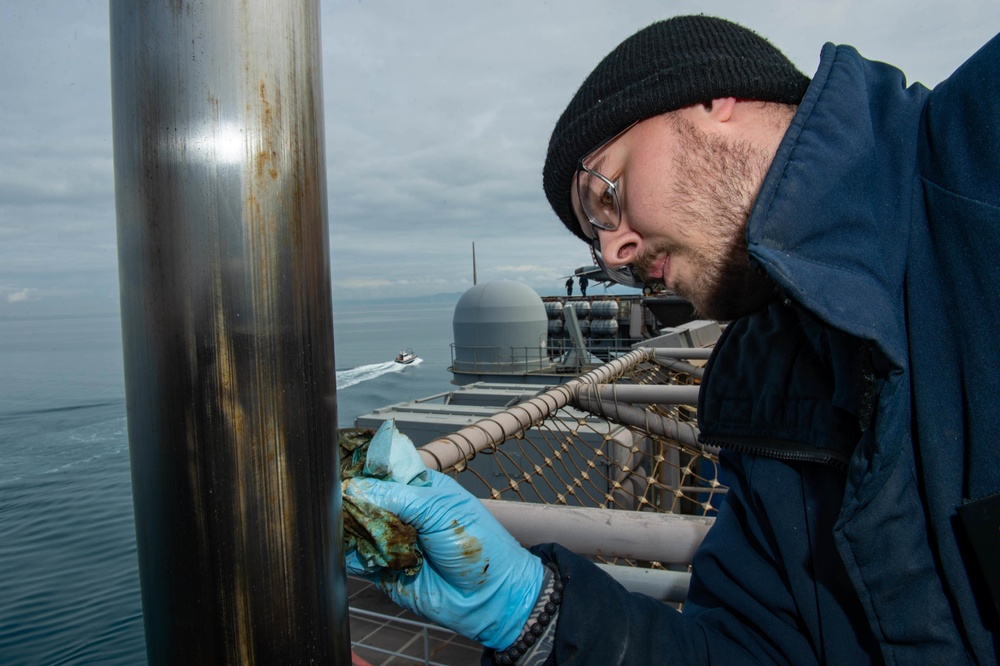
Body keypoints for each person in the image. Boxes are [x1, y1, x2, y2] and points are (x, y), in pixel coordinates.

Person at [344, 15, 1000, 665]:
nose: (614, 252)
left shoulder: (977, 152)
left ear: (717, 96)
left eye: (606, 194)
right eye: (593, 240)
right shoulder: (763, 398)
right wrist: (532, 612)